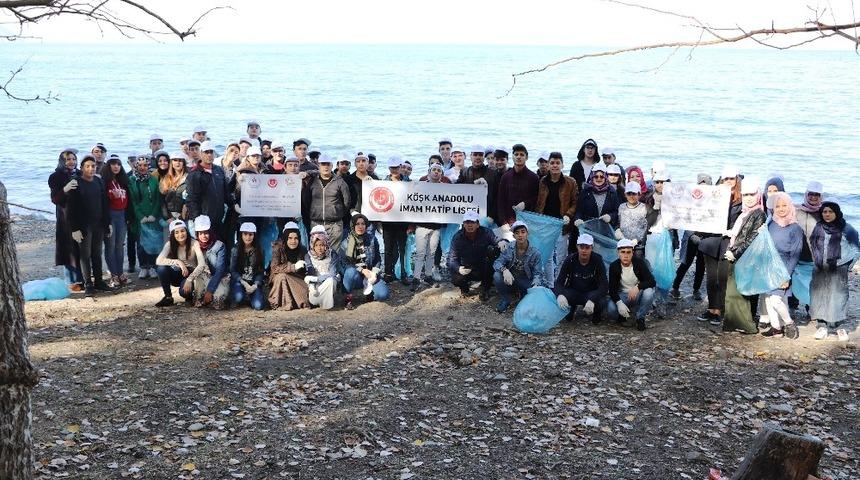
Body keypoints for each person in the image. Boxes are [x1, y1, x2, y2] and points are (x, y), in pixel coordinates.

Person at [697, 167, 743, 326]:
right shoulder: (712, 196)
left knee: (723, 277)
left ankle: (721, 309)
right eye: (725, 179)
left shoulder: (741, 200)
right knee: (711, 278)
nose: (728, 182)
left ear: (737, 180)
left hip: (728, 242)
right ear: (721, 180)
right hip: (710, 241)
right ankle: (712, 308)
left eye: (731, 179)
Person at [722, 179, 767, 334]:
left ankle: (746, 325)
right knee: (734, 292)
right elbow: (740, 235)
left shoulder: (759, 214)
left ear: (758, 195)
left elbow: (752, 238)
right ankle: (733, 322)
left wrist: (735, 253)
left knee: (738, 292)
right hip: (737, 255)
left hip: (745, 258)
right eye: (746, 194)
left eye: (752, 194)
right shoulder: (746, 212)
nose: (749, 197)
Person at [809, 202, 859, 341]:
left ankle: (838, 327)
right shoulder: (818, 227)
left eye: (830, 212)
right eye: (824, 212)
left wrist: (845, 265)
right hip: (820, 268)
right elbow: (813, 244)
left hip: (838, 269)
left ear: (836, 213)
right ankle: (822, 326)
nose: (827, 214)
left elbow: (856, 250)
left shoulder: (847, 229)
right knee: (819, 296)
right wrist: (817, 260)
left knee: (838, 296)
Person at [758, 193, 804, 339]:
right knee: (767, 298)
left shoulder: (795, 228)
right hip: (768, 266)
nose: (781, 209)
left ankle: (789, 324)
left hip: (783, 267)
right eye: (777, 206)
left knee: (776, 300)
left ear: (790, 206)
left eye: (784, 205)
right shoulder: (771, 223)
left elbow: (795, 254)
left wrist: (786, 275)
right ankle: (776, 328)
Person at [68, 154, 113, 296]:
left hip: (98, 223)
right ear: (82, 168)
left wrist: (108, 223)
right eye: (87, 166)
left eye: (93, 166)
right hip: (83, 225)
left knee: (97, 253)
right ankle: (88, 285)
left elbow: (105, 204)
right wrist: (74, 229)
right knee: (85, 255)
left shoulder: (99, 182)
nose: (91, 169)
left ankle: (99, 281)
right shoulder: (76, 183)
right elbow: (71, 208)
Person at [535, 151, 578, 288]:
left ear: (562, 165)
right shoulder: (542, 181)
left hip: (561, 225)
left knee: (561, 257)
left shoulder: (571, 182)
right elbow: (539, 203)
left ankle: (560, 284)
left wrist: (569, 215)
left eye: (557, 163)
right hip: (545, 224)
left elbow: (575, 202)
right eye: (552, 163)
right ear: (547, 165)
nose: (554, 165)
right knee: (546, 257)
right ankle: (549, 284)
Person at [671, 173, 712, 301]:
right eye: (701, 185)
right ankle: (675, 287)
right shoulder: (690, 198)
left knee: (701, 264)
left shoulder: (713, 201)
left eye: (706, 185)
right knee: (685, 262)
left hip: (705, 237)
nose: (703, 188)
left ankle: (696, 289)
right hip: (691, 236)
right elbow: (682, 213)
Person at [48, 147, 83, 291]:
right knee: (68, 249)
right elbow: (55, 199)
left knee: (81, 247)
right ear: (62, 161)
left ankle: (83, 278)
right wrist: (65, 189)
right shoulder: (55, 176)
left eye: (74, 159)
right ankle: (72, 280)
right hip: (65, 217)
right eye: (68, 159)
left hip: (80, 215)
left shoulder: (80, 174)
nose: (71, 162)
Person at [448, 211, 504, 300]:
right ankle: (464, 288)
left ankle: (485, 288)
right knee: (456, 277)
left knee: (493, 251)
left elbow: (496, 239)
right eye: (467, 222)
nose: (470, 225)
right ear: (463, 224)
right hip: (466, 267)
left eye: (472, 222)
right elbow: (451, 259)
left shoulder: (486, 232)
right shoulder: (457, 238)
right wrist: (459, 268)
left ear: (478, 224)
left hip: (483, 266)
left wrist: (501, 242)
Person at [554, 233, 608, 324]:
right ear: (577, 247)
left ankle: (596, 314)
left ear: (592, 248)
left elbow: (604, 285)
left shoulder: (597, 259)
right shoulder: (570, 259)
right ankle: (570, 310)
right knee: (562, 302)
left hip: (591, 292)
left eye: (587, 247)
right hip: (574, 291)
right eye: (581, 247)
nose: (584, 250)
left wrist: (592, 299)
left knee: (602, 302)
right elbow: (559, 282)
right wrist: (560, 295)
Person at [492, 221, 544, 312]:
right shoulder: (509, 247)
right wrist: (504, 270)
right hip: (510, 278)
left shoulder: (535, 253)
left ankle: (523, 295)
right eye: (517, 233)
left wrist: (535, 285)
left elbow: (538, 273)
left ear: (527, 234)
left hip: (525, 279)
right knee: (497, 275)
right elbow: (497, 262)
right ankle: (505, 299)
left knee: (532, 298)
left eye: (523, 232)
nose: (520, 235)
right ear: (513, 236)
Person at [341, 213, 390, 309]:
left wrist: (374, 272)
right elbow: (345, 264)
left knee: (383, 295)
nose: (360, 226)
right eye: (357, 224)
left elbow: (377, 259)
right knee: (350, 271)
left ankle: (370, 293)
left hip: (370, 274)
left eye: (363, 224)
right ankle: (348, 298)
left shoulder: (372, 239)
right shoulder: (346, 243)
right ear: (353, 225)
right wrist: (362, 270)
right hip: (355, 276)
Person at [412, 163, 449, 288]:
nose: (436, 172)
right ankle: (416, 277)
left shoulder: (445, 188)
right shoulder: (420, 186)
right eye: (434, 170)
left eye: (439, 170)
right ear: (429, 172)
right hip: (421, 225)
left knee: (431, 253)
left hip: (436, 227)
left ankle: (428, 275)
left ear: (442, 174)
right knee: (420, 253)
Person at [186, 140, 231, 241]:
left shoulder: (218, 170)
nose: (209, 155)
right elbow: (191, 200)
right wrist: (197, 219)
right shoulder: (194, 174)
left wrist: (235, 205)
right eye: (206, 152)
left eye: (211, 152)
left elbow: (226, 193)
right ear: (201, 153)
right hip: (204, 220)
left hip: (219, 218)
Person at [607, 238, 656, 331]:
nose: (626, 255)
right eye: (623, 252)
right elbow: (612, 289)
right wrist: (619, 303)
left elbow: (652, 281)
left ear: (632, 253)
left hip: (638, 293)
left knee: (649, 292)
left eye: (628, 252)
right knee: (611, 309)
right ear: (618, 253)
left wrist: (638, 287)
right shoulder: (614, 266)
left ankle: (640, 317)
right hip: (623, 294)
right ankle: (623, 316)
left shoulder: (639, 263)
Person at [155, 219, 205, 307]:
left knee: (183, 292)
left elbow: (201, 264)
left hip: (191, 274)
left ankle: (189, 296)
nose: (180, 234)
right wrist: (178, 262)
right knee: (161, 269)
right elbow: (158, 260)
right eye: (176, 232)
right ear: (172, 235)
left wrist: (190, 279)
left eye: (182, 231)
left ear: (187, 231)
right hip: (177, 272)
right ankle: (168, 297)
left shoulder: (194, 243)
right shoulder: (169, 244)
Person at [306, 154, 352, 249]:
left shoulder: (340, 182)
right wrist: (312, 212)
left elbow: (347, 202)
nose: (326, 167)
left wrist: (337, 213)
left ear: (332, 166)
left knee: (333, 254)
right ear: (319, 166)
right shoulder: (312, 181)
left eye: (328, 164)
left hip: (334, 225)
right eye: (323, 164)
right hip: (316, 223)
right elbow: (306, 200)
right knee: (317, 253)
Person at [128, 155, 162, 279]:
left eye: (145, 165)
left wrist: (153, 214)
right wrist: (140, 216)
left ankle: (153, 266)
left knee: (153, 242)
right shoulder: (132, 180)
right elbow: (133, 201)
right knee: (141, 243)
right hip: (139, 218)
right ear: (136, 166)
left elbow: (158, 199)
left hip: (153, 217)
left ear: (149, 166)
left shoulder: (154, 180)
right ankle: (143, 267)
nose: (143, 168)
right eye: (140, 165)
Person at [100, 155, 131, 287]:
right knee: (110, 246)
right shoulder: (103, 182)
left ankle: (120, 273)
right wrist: (106, 222)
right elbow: (102, 203)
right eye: (113, 164)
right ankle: (113, 275)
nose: (116, 166)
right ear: (108, 166)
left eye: (118, 164)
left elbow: (129, 201)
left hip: (122, 215)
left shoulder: (123, 180)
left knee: (119, 246)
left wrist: (129, 217)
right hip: (110, 216)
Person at [572, 163, 619, 248]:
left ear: (605, 177)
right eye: (596, 176)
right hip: (588, 231)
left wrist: (610, 216)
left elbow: (617, 211)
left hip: (605, 232)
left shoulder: (612, 192)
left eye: (601, 176)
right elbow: (579, 211)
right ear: (591, 177)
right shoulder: (585, 192)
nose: (599, 178)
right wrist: (577, 219)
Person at [381, 156, 412, 283]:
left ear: (400, 167)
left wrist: (411, 224)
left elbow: (413, 205)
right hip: (387, 222)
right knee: (388, 248)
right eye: (392, 167)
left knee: (402, 249)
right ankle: (389, 273)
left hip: (403, 222)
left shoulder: (409, 183)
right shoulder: (382, 183)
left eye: (397, 167)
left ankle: (404, 273)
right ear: (389, 168)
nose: (394, 170)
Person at [189, 215, 230, 309]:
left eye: (206, 233)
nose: (204, 236)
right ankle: (200, 297)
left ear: (210, 232)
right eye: (201, 233)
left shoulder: (220, 246)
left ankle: (210, 294)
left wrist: (210, 290)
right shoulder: (195, 245)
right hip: (203, 277)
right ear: (197, 234)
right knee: (198, 277)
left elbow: (220, 270)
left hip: (219, 278)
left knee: (218, 301)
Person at [268, 222, 311, 310]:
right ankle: (284, 304)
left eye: (296, 238)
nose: (293, 241)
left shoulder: (302, 249)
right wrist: (293, 267)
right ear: (285, 238)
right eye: (290, 238)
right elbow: (274, 268)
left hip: (296, 279)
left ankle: (295, 301)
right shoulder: (278, 248)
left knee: (304, 299)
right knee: (282, 277)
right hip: (279, 278)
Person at [457, 144, 499, 226]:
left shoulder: (493, 174)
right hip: (468, 215)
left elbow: (497, 197)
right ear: (470, 156)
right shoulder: (464, 172)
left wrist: (492, 216)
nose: (478, 157)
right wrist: (473, 184)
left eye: (480, 155)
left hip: (487, 216)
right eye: (475, 155)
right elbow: (456, 191)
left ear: (484, 157)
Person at [497, 144, 539, 226]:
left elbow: (537, 199)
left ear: (526, 157)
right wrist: (503, 222)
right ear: (512, 157)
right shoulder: (505, 177)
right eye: (516, 154)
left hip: (527, 221)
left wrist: (525, 204)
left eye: (522, 155)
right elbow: (500, 201)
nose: (518, 157)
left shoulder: (534, 177)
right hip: (508, 221)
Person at [304, 226, 343, 310]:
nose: (319, 248)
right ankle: (318, 301)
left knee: (331, 280)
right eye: (316, 245)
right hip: (315, 289)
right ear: (312, 245)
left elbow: (332, 274)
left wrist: (317, 279)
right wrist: (313, 284)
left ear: (326, 244)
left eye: (322, 245)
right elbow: (309, 274)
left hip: (329, 285)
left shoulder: (332, 254)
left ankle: (327, 305)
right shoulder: (308, 256)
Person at [230, 222, 266, 310]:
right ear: (241, 235)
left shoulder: (259, 250)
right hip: (240, 281)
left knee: (258, 306)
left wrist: (255, 285)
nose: (247, 237)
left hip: (253, 282)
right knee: (238, 297)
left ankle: (251, 296)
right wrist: (244, 283)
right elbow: (233, 270)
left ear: (254, 235)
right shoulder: (235, 250)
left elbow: (261, 271)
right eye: (245, 234)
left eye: (250, 234)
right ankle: (241, 296)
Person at [616, 181, 649, 255]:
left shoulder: (644, 208)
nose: (631, 196)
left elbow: (646, 227)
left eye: (634, 194)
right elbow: (619, 222)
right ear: (625, 195)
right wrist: (618, 230)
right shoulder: (621, 207)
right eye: (629, 194)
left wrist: (638, 240)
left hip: (638, 246)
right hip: (623, 244)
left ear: (639, 194)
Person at [161, 152, 189, 220]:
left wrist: (183, 215)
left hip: (185, 216)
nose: (177, 163)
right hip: (169, 217)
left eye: (180, 160)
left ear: (184, 163)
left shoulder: (189, 177)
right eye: (175, 160)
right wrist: (167, 217)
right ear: (171, 163)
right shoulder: (166, 178)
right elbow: (162, 200)